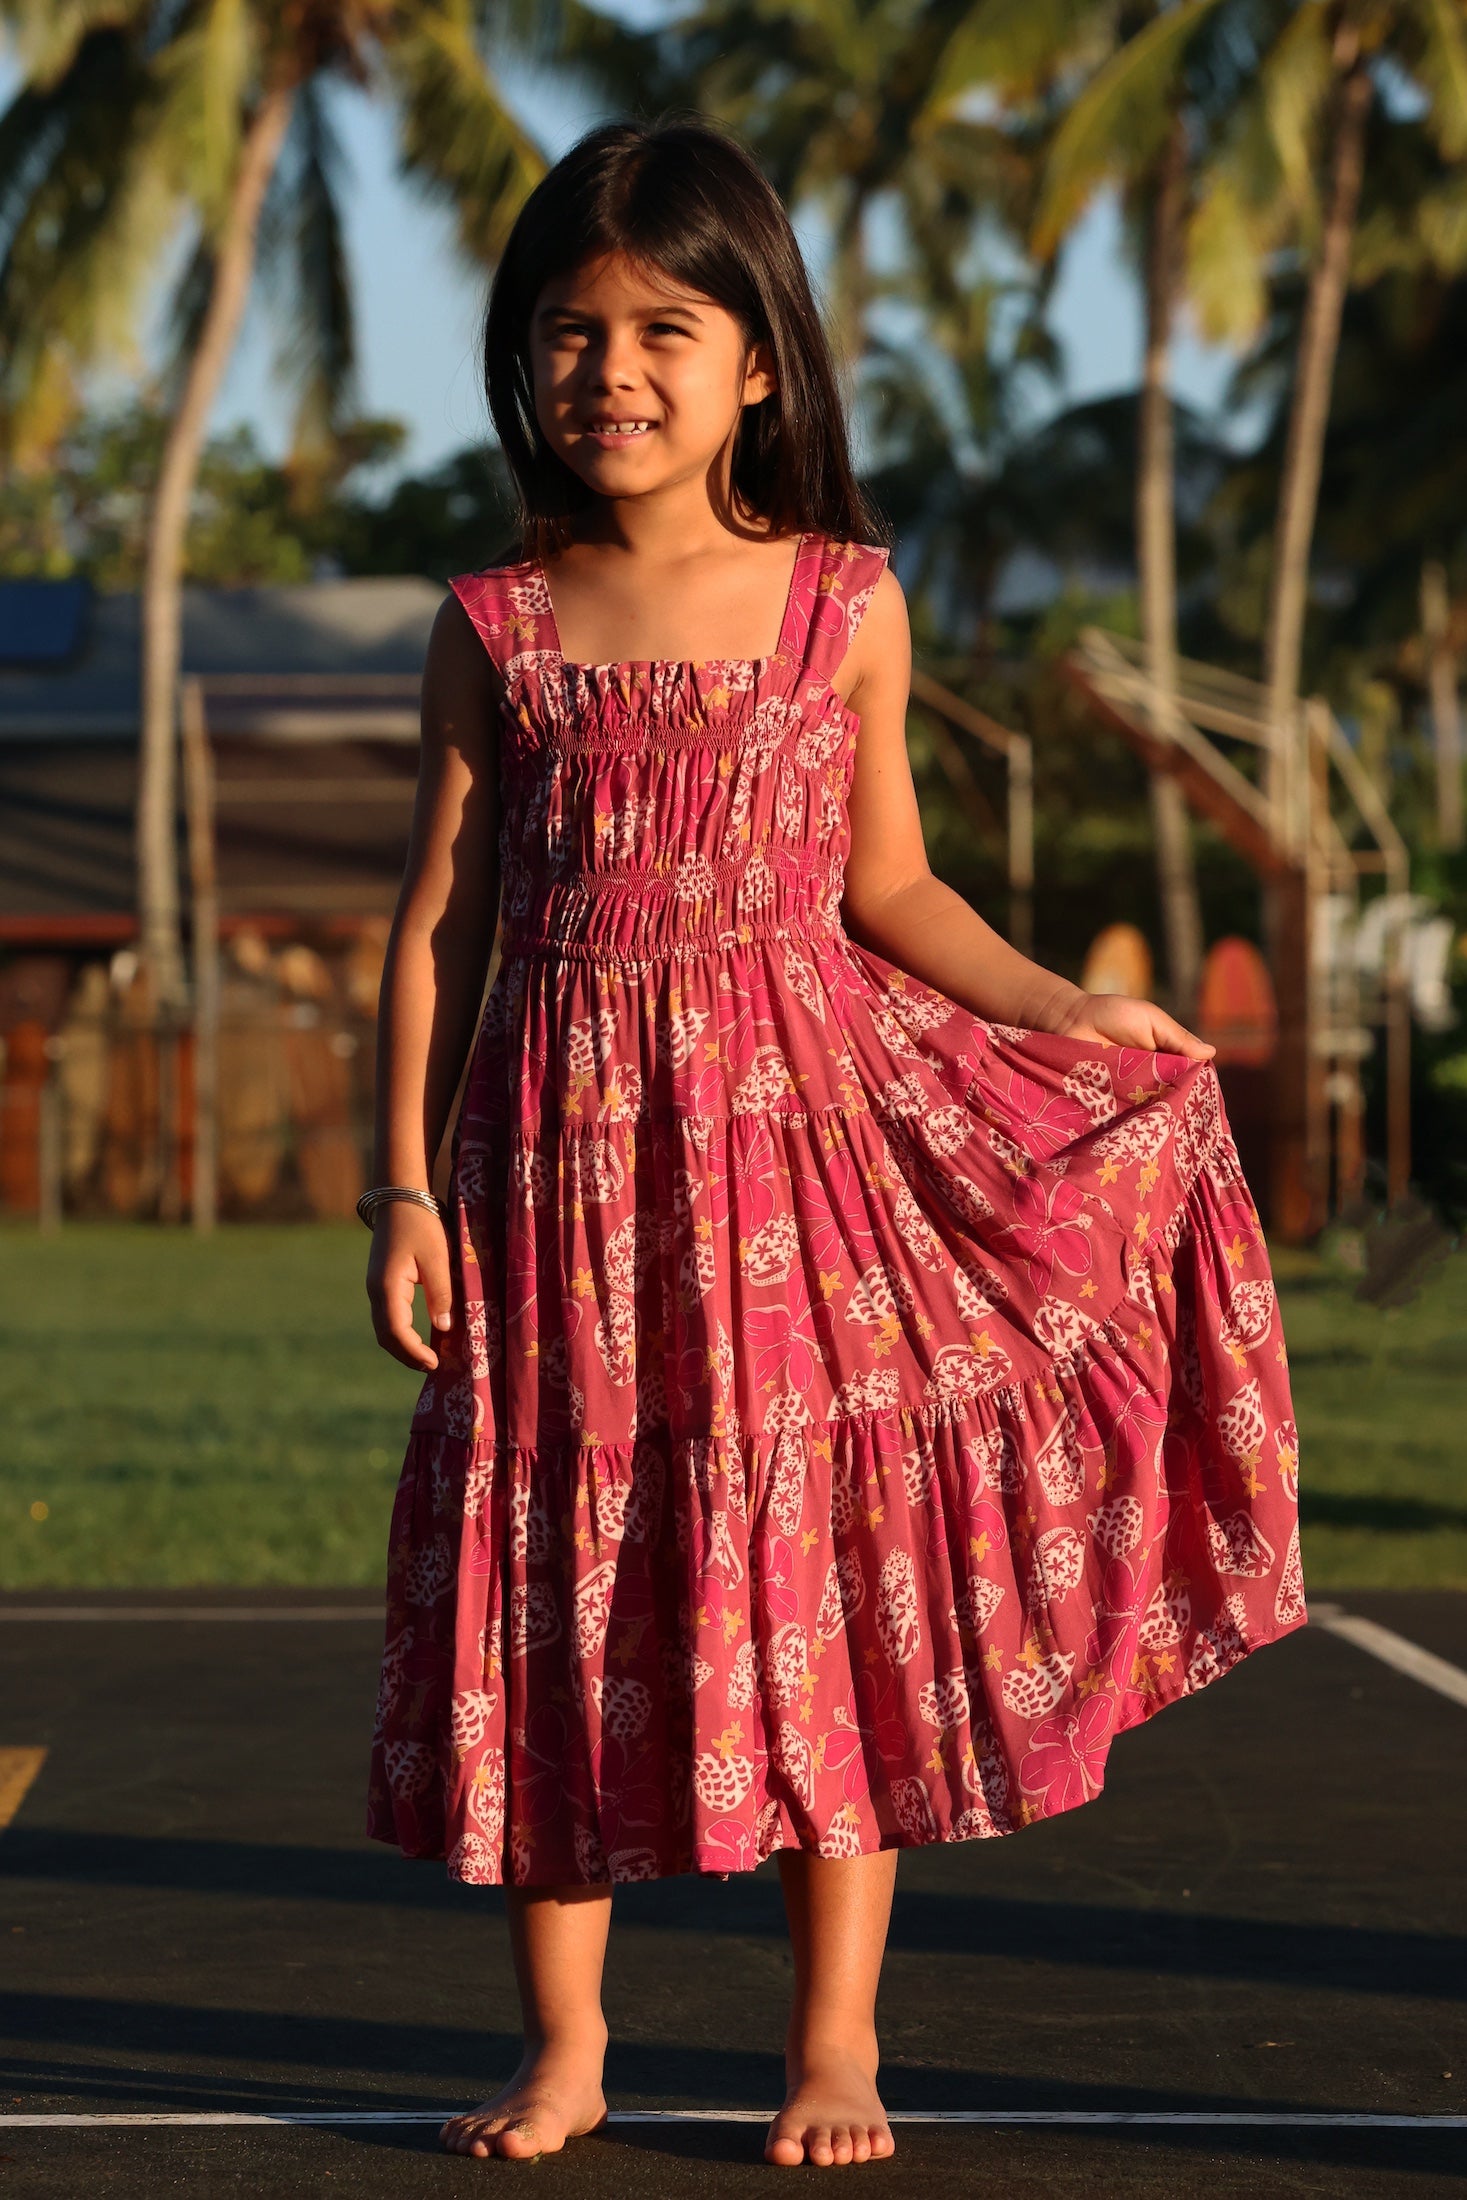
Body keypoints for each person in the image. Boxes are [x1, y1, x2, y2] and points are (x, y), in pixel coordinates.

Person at [362, 115, 1304, 2169]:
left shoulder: (842, 605)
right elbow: (436, 925)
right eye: (565, 330)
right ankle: (568, 2045)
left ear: (755, 357)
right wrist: (403, 1186)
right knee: (561, 1585)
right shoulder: (494, 625)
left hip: (805, 1181)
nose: (605, 367)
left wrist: (1061, 1009)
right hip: (557, 1186)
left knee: (821, 1579)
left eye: (659, 328)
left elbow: (891, 886)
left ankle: (833, 2046)